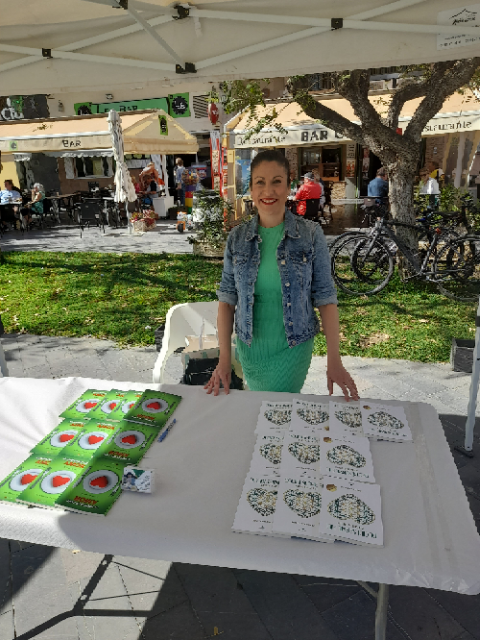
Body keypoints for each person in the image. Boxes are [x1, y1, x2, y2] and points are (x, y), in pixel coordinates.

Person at [205, 149, 358, 399]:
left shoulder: (311, 234)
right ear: (251, 190)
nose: (268, 191)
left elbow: (326, 299)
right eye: (260, 182)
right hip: (251, 348)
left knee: (281, 408)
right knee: (259, 406)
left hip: (293, 348)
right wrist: (224, 360)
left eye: (277, 181)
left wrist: (334, 361)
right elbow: (227, 300)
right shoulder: (237, 238)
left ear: (289, 187)